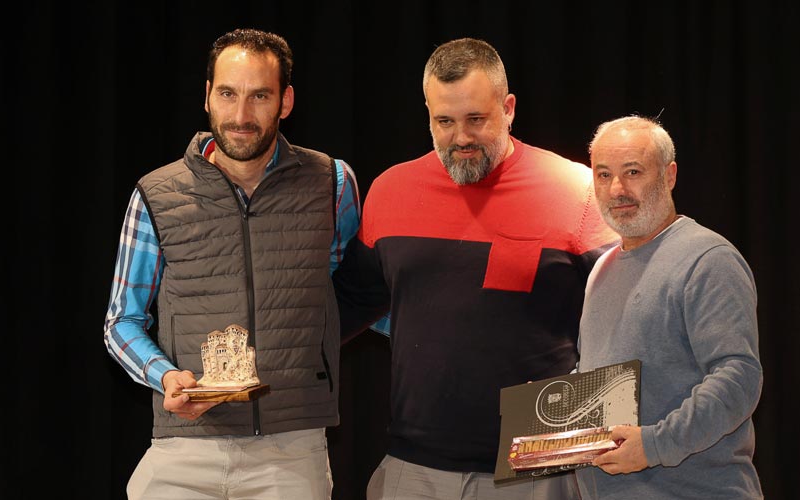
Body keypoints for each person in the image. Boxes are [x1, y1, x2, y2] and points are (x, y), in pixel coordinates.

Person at [332, 38, 619, 499]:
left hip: (536, 470)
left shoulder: (577, 192)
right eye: (444, 121)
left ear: (508, 109)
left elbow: (626, 323)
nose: (461, 137)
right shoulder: (390, 190)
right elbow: (346, 306)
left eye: (476, 119)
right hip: (414, 467)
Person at [103, 28, 361, 500]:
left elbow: (347, 287)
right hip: (185, 448)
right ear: (207, 96)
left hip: (291, 451)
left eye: (259, 96)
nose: (241, 115)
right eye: (227, 94)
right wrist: (165, 376)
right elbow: (122, 321)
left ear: (285, 101)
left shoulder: (332, 183)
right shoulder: (155, 194)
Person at [575, 115, 763, 499]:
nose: (617, 189)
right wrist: (552, 412)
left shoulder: (708, 259)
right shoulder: (601, 270)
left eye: (633, 172)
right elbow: (598, 381)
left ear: (670, 175)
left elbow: (739, 378)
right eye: (604, 175)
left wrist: (654, 446)